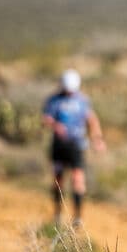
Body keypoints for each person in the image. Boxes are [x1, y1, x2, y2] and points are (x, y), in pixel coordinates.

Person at [42, 69, 105, 225]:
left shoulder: (83, 100)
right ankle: (57, 213)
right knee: (58, 179)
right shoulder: (54, 100)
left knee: (78, 179)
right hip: (59, 145)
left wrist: (97, 139)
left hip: (76, 145)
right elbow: (45, 119)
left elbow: (91, 119)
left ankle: (77, 217)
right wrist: (55, 125)